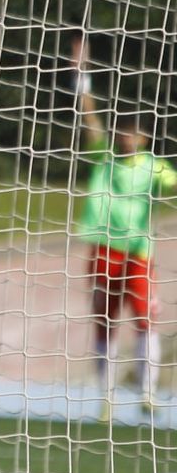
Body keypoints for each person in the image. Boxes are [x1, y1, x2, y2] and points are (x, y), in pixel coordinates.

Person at [72, 40, 177, 419]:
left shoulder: (154, 166)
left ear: (145, 139)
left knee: (146, 321)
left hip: (137, 251)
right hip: (104, 248)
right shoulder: (104, 155)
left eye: (133, 134)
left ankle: (148, 392)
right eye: (123, 132)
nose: (126, 138)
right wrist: (82, 76)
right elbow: (90, 120)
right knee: (104, 323)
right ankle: (106, 398)